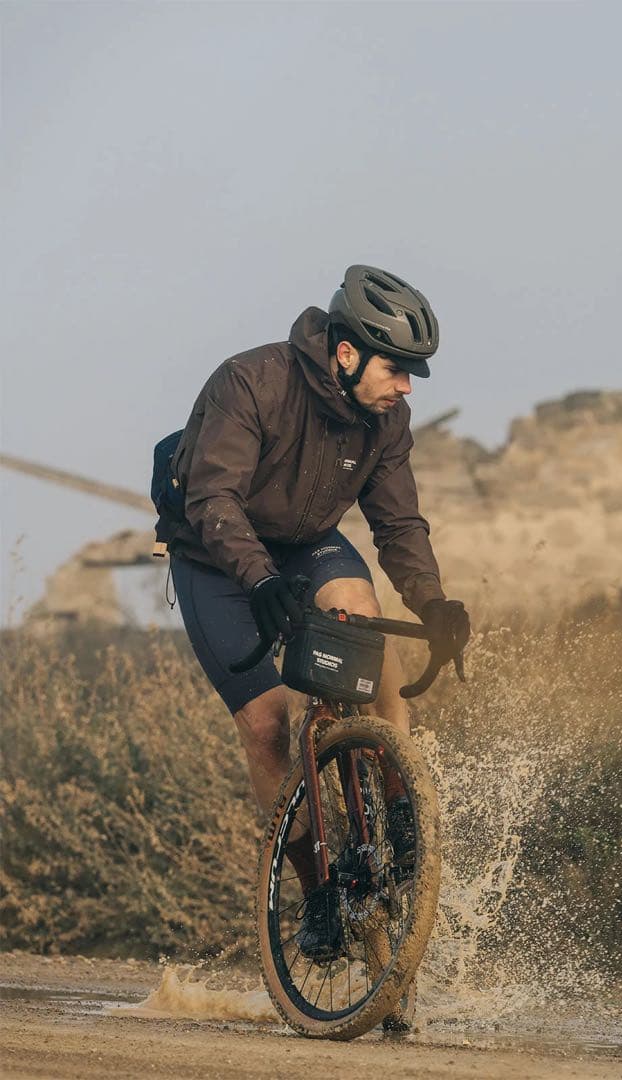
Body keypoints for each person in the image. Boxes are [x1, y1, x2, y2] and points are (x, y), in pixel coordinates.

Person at [157, 265, 470, 958]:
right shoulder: (250, 382)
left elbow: (398, 525)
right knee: (267, 725)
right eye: (397, 369)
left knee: (360, 608)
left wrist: (434, 602)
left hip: (304, 543)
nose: (407, 386)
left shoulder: (386, 419)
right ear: (346, 353)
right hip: (214, 558)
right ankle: (317, 892)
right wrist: (259, 579)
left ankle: (400, 801)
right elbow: (213, 500)